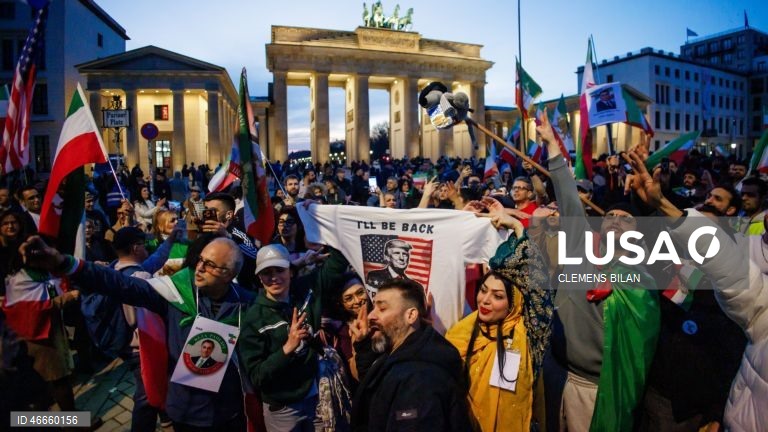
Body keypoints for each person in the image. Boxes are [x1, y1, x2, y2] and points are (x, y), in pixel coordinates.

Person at [18, 235, 254, 430]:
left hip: (229, 412)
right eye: (201, 260)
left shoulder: (248, 304)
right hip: (186, 411)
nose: (199, 267)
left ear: (229, 274)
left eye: (210, 265)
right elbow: (119, 284)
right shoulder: (176, 293)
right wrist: (63, 263)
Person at [625, 146, 767, 432]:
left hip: (689, 407)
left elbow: (730, 356)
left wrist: (715, 411)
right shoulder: (750, 298)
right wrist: (657, 206)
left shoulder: (723, 298)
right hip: (654, 389)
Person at [537, 110, 660, 431]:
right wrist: (552, 146)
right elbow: (568, 201)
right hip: (555, 372)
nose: (616, 221)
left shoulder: (642, 278)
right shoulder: (580, 251)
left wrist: (659, 203)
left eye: (626, 218)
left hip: (598, 389)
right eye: (611, 216)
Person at [445, 198, 553, 431]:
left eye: (497, 296)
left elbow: (539, 287)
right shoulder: (463, 329)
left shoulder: (529, 331)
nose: (485, 300)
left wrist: (517, 226)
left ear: (513, 304)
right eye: (483, 291)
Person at [239, 237, 350, 431]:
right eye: (266, 273)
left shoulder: (306, 291)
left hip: (316, 397)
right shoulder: (253, 318)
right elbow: (256, 376)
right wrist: (287, 348)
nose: (274, 278)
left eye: (279, 270)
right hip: (282, 408)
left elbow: (338, 261)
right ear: (259, 278)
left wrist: (322, 218)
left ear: (291, 271)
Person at [349, 279, 473, 431]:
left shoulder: (420, 379)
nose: (370, 316)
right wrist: (363, 345)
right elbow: (378, 387)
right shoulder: (401, 355)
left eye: (382, 309)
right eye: (373, 307)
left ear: (411, 315)